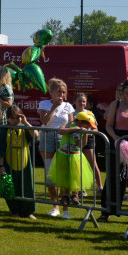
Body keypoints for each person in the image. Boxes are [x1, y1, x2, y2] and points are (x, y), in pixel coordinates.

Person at [99, 79, 128, 222]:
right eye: (127, 93)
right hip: (119, 143)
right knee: (115, 176)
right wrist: (114, 137)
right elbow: (109, 125)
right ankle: (107, 211)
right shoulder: (117, 104)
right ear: (123, 92)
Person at [49, 110, 97, 219]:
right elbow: (60, 131)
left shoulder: (84, 130)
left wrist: (85, 134)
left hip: (75, 156)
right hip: (63, 155)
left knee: (76, 177)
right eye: (87, 125)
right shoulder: (68, 124)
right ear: (80, 122)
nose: (89, 127)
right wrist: (74, 129)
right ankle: (65, 198)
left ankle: (75, 195)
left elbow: (83, 144)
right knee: (64, 178)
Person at [38, 78, 74, 215]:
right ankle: (55, 207)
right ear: (51, 92)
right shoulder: (44, 104)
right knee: (50, 173)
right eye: (59, 92)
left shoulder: (68, 106)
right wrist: (54, 107)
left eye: (63, 92)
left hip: (63, 139)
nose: (61, 95)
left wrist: (63, 128)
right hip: (47, 138)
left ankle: (66, 209)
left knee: (64, 173)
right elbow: (45, 122)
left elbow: (71, 123)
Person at [0, 105, 37, 219]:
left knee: (27, 188)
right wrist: (1, 165)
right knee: (10, 188)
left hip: (25, 164)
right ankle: (14, 211)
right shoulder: (4, 130)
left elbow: (36, 135)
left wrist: (25, 122)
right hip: (9, 164)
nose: (16, 120)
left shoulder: (25, 128)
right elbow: (0, 149)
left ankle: (28, 212)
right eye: (13, 118)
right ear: (8, 119)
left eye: (18, 117)